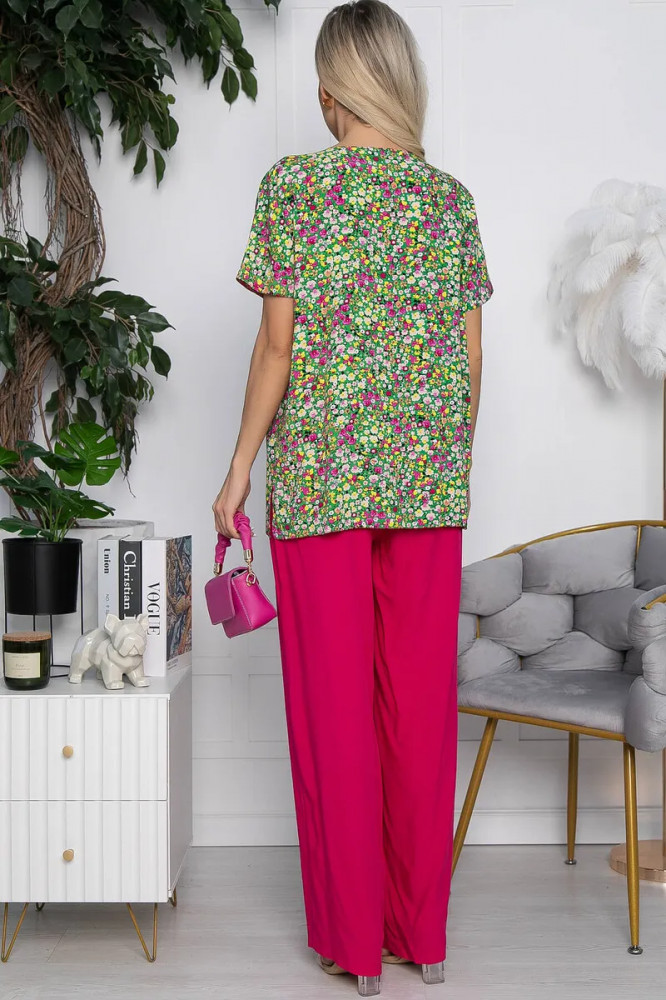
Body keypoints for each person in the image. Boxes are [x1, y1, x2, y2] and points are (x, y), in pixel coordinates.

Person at [212, 0, 494, 995]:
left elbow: (276, 348)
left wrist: (240, 467)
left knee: (334, 711)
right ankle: (424, 938)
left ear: (333, 89)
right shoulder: (449, 200)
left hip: (321, 483)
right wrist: (439, 464)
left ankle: (355, 947)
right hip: (427, 486)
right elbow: (469, 362)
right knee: (417, 711)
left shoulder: (295, 187)